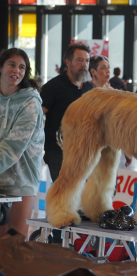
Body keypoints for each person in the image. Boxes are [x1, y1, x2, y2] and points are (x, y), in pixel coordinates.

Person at [0, 48, 45, 239]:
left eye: (22, 67)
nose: (16, 70)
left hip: (21, 181)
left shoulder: (30, 103)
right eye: (11, 64)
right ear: (1, 67)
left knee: (13, 246)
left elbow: (12, 147)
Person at [41, 43, 93, 182]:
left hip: (85, 153)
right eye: (79, 60)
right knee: (64, 198)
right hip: (58, 153)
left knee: (85, 199)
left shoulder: (90, 88)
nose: (84, 64)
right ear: (68, 62)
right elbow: (37, 117)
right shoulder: (53, 87)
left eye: (87, 60)